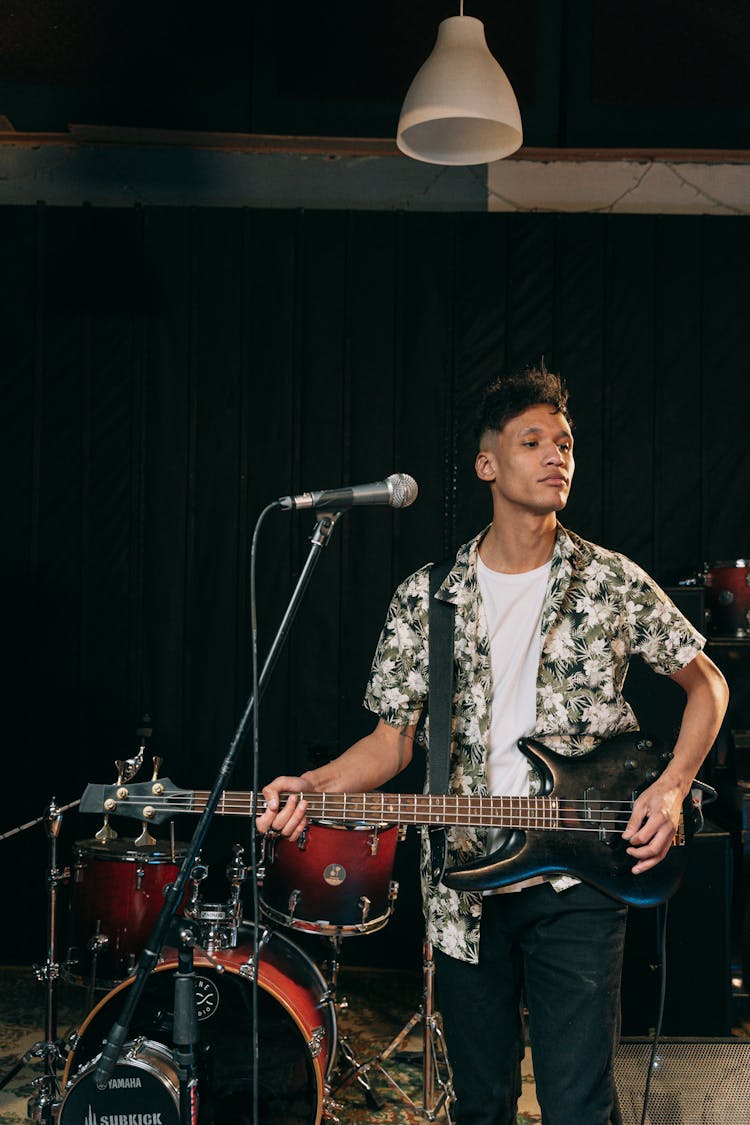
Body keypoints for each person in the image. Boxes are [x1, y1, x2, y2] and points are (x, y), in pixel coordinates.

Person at [257, 364, 729, 1125]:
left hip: (581, 882)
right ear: (487, 464)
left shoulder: (608, 580)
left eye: (566, 442)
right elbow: (392, 741)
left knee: (578, 1105)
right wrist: (311, 786)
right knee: (481, 1106)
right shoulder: (425, 596)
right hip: (462, 890)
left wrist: (672, 785)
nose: (557, 456)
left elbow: (708, 685)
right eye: (533, 440)